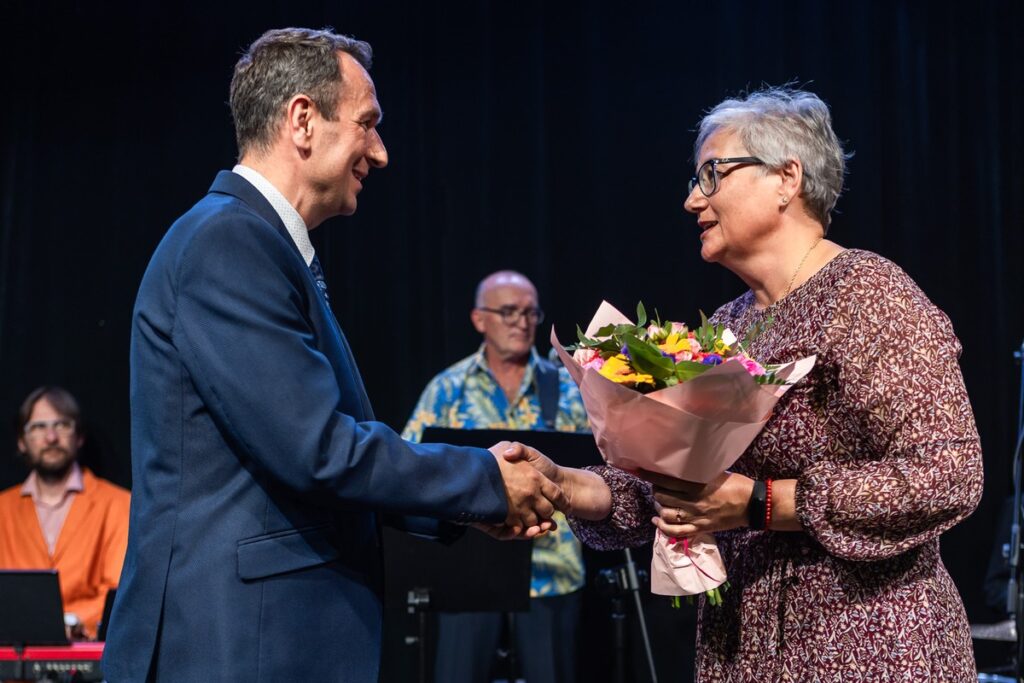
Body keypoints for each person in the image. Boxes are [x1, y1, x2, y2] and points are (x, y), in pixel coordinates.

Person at [102, 28, 563, 683]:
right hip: (238, 644)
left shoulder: (259, 245)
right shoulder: (228, 244)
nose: (380, 151)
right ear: (302, 120)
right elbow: (318, 450)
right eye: (367, 123)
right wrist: (484, 483)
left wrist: (467, 503)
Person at [507, 87, 984, 681]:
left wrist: (764, 504)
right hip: (748, 649)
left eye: (711, 174)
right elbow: (678, 491)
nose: (690, 201)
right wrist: (565, 484)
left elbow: (950, 473)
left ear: (787, 178)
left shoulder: (868, 294)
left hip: (866, 645)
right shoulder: (732, 325)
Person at [403, 270, 590, 683]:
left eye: (530, 312)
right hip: (469, 570)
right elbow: (410, 467)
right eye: (508, 312)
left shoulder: (565, 386)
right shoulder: (447, 388)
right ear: (478, 319)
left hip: (550, 571)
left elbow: (602, 468)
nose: (522, 322)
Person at [0, 386, 130, 640]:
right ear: (21, 441)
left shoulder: (118, 504)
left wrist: (71, 619)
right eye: (38, 427)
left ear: (79, 436)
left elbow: (121, 588)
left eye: (62, 425)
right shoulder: (3, 509)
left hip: (90, 660)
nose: (50, 437)